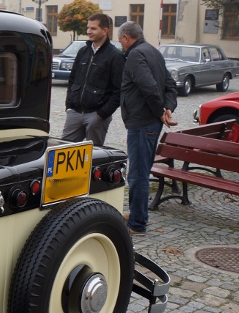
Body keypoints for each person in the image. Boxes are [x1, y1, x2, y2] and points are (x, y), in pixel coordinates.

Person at [118, 21, 178, 235]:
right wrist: (168, 107)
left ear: (126, 37)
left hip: (142, 122)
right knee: (139, 170)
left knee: (138, 174)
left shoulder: (136, 55)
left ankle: (137, 224)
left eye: (120, 40)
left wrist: (161, 111)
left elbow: (149, 87)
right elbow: (170, 86)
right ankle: (137, 212)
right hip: (148, 121)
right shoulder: (153, 51)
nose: (121, 45)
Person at [62, 13, 124, 146]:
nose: (89, 31)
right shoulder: (83, 52)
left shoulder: (115, 56)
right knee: (64, 149)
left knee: (94, 153)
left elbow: (119, 90)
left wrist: (102, 114)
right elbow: (72, 80)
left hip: (96, 115)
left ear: (105, 31)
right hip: (75, 112)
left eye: (93, 28)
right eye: (88, 28)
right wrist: (69, 106)